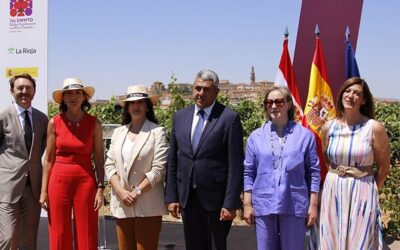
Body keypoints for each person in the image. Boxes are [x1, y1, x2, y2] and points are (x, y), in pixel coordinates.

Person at [165, 70, 244, 250]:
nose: (200, 93)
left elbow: (235, 164)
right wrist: (171, 196)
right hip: (188, 200)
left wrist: (230, 203)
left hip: (216, 202)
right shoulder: (180, 117)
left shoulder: (229, 118)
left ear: (216, 92)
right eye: (197, 88)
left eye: (206, 89)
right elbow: (173, 160)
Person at [242, 86, 320, 250]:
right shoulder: (255, 137)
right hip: (263, 204)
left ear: (289, 104)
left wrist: (313, 206)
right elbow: (249, 172)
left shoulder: (305, 136)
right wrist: (247, 204)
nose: (273, 106)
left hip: (294, 204)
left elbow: (313, 173)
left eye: (278, 101)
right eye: (268, 102)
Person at [319, 77, 390, 249]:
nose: (351, 95)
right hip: (333, 189)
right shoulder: (329, 127)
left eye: (357, 93)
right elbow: (326, 157)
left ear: (364, 100)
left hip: (362, 189)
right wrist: (338, 175)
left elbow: (384, 168)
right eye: (347, 91)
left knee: (360, 239)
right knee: (331, 238)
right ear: (341, 94)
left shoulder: (374, 127)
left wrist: (371, 189)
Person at [39, 77, 105, 249]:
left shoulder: (94, 124)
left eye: (77, 92)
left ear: (84, 97)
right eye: (69, 93)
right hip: (58, 180)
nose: (73, 96)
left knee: (87, 231)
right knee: (59, 232)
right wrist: (43, 191)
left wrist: (100, 188)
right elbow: (48, 160)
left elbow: (99, 159)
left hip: (86, 181)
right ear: (63, 98)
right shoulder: (54, 122)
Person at [104, 85, 169, 250]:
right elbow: (109, 164)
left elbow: (158, 170)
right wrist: (120, 192)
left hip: (147, 205)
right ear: (127, 108)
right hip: (122, 204)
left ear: (147, 106)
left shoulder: (157, 132)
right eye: (132, 103)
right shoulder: (118, 133)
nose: (136, 106)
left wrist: (136, 192)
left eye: (140, 102)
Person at [0, 74, 48, 249]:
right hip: (7, 189)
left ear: (34, 91)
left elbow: (43, 150)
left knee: (29, 240)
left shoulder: (42, 119)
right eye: (20, 88)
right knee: (7, 237)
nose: (24, 92)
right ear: (12, 91)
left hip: (33, 189)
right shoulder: (3, 116)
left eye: (28, 88)